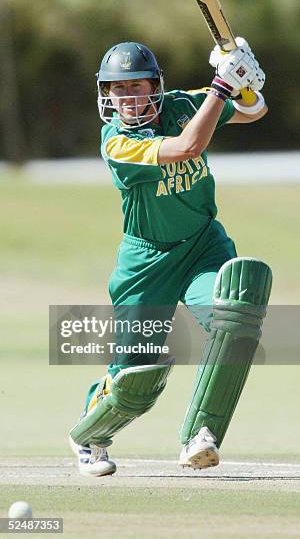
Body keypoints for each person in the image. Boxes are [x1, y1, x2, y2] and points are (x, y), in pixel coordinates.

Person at [69, 39, 272, 477]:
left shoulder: (183, 104)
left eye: (136, 87)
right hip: (146, 264)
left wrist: (247, 81)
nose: (126, 98)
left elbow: (254, 111)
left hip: (203, 246)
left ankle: (202, 434)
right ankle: (88, 435)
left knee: (232, 319)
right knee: (135, 378)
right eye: (117, 90)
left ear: (155, 86)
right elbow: (186, 148)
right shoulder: (117, 142)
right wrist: (222, 86)